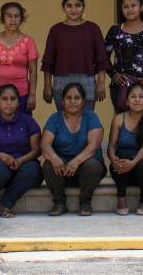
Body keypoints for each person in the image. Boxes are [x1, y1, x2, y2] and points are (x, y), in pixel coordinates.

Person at [40, 81, 106, 216]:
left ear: (83, 102)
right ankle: (59, 203)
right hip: (62, 170)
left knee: (93, 165)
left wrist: (76, 161)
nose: (72, 101)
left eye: (77, 98)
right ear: (63, 101)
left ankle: (85, 203)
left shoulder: (91, 117)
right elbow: (45, 144)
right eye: (68, 98)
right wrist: (54, 158)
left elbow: (93, 146)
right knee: (48, 164)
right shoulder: (55, 118)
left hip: (86, 170)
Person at [0, 83, 42, 218]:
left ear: (19, 103)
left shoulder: (28, 121)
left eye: (13, 99)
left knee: (33, 170)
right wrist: (2, 156)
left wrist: (21, 160)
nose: (8, 103)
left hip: (24, 164)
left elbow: (37, 150)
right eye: (4, 99)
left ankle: (4, 204)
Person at [41, 0, 109, 112]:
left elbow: (101, 58)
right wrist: (47, 86)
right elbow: (48, 61)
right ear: (63, 8)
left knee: (86, 120)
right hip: (61, 81)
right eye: (69, 6)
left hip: (87, 79)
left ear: (83, 7)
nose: (73, 9)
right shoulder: (56, 30)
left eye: (78, 5)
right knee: (64, 120)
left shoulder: (93, 28)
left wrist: (100, 83)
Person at [106, 81, 143, 215]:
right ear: (127, 101)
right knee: (120, 161)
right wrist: (113, 160)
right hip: (123, 167)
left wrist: (133, 163)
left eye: (141, 97)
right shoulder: (119, 119)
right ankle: (121, 198)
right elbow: (111, 146)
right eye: (133, 96)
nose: (137, 100)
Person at [0, 2, 38, 116]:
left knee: (21, 130)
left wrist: (32, 95)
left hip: (20, 96)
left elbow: (33, 71)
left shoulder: (28, 41)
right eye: (9, 16)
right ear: (2, 18)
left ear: (21, 19)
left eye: (17, 16)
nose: (13, 19)